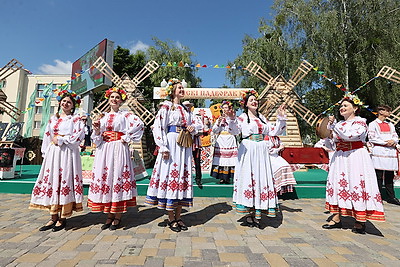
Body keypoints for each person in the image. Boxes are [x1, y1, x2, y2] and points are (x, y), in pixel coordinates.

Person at [323, 93, 385, 234]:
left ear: (355, 108)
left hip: (355, 157)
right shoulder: (339, 124)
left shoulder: (360, 122)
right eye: (341, 106)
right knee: (339, 184)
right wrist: (328, 133)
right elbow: (332, 143)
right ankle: (337, 217)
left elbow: (349, 135)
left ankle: (360, 220)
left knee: (356, 183)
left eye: (345, 105)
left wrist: (333, 126)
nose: (342, 108)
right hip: (340, 158)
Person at [145, 78, 200, 232]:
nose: (182, 90)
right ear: (172, 91)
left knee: (182, 176)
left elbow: (198, 124)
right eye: (179, 88)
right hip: (171, 143)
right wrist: (162, 146)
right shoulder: (166, 107)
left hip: (184, 144)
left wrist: (192, 127)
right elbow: (158, 127)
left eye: (183, 88)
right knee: (171, 176)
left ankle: (179, 216)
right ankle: (171, 218)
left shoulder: (187, 108)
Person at [88, 87, 144, 230]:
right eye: (112, 97)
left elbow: (140, 125)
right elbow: (97, 138)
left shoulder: (126, 115)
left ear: (121, 100)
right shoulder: (103, 117)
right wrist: (96, 130)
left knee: (117, 177)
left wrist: (126, 137)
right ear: (108, 99)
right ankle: (109, 215)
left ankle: (117, 215)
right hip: (104, 149)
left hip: (119, 148)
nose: (114, 99)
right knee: (107, 178)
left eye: (117, 97)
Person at [29, 89, 84, 232]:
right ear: (60, 103)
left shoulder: (76, 120)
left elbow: (78, 137)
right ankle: (53, 216)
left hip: (67, 153)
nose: (66, 104)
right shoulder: (53, 119)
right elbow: (48, 136)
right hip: (54, 153)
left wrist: (61, 139)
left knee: (64, 179)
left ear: (73, 105)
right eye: (64, 101)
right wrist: (46, 152)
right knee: (52, 180)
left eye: (69, 102)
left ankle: (63, 217)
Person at [231, 89, 287, 228]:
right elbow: (235, 130)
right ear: (245, 104)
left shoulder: (262, 118)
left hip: (261, 151)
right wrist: (232, 119)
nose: (254, 101)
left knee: (261, 179)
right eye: (251, 100)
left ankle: (258, 210)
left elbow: (274, 131)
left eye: (255, 100)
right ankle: (249, 212)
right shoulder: (242, 118)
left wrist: (281, 118)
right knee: (248, 178)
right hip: (249, 150)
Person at [368, 105, 400, 205]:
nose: (389, 113)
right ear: (381, 112)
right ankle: (378, 197)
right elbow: (371, 137)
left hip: (390, 152)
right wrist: (385, 142)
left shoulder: (390, 124)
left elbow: (395, 135)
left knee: (389, 175)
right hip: (379, 151)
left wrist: (393, 141)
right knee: (378, 176)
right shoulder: (373, 124)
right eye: (387, 111)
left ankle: (391, 197)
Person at [211, 101, 238, 184]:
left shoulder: (233, 118)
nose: (226, 109)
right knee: (221, 159)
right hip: (221, 139)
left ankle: (229, 177)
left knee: (230, 159)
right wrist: (218, 122)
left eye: (227, 108)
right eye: (225, 108)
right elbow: (215, 130)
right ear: (222, 109)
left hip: (230, 139)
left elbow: (235, 129)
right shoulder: (219, 118)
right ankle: (221, 177)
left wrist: (230, 119)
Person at [182, 100, 204, 189]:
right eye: (186, 106)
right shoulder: (182, 117)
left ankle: (198, 179)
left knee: (197, 161)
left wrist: (193, 128)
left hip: (195, 142)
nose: (188, 107)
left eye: (189, 106)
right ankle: (185, 178)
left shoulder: (195, 116)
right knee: (184, 160)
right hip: (184, 141)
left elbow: (201, 126)